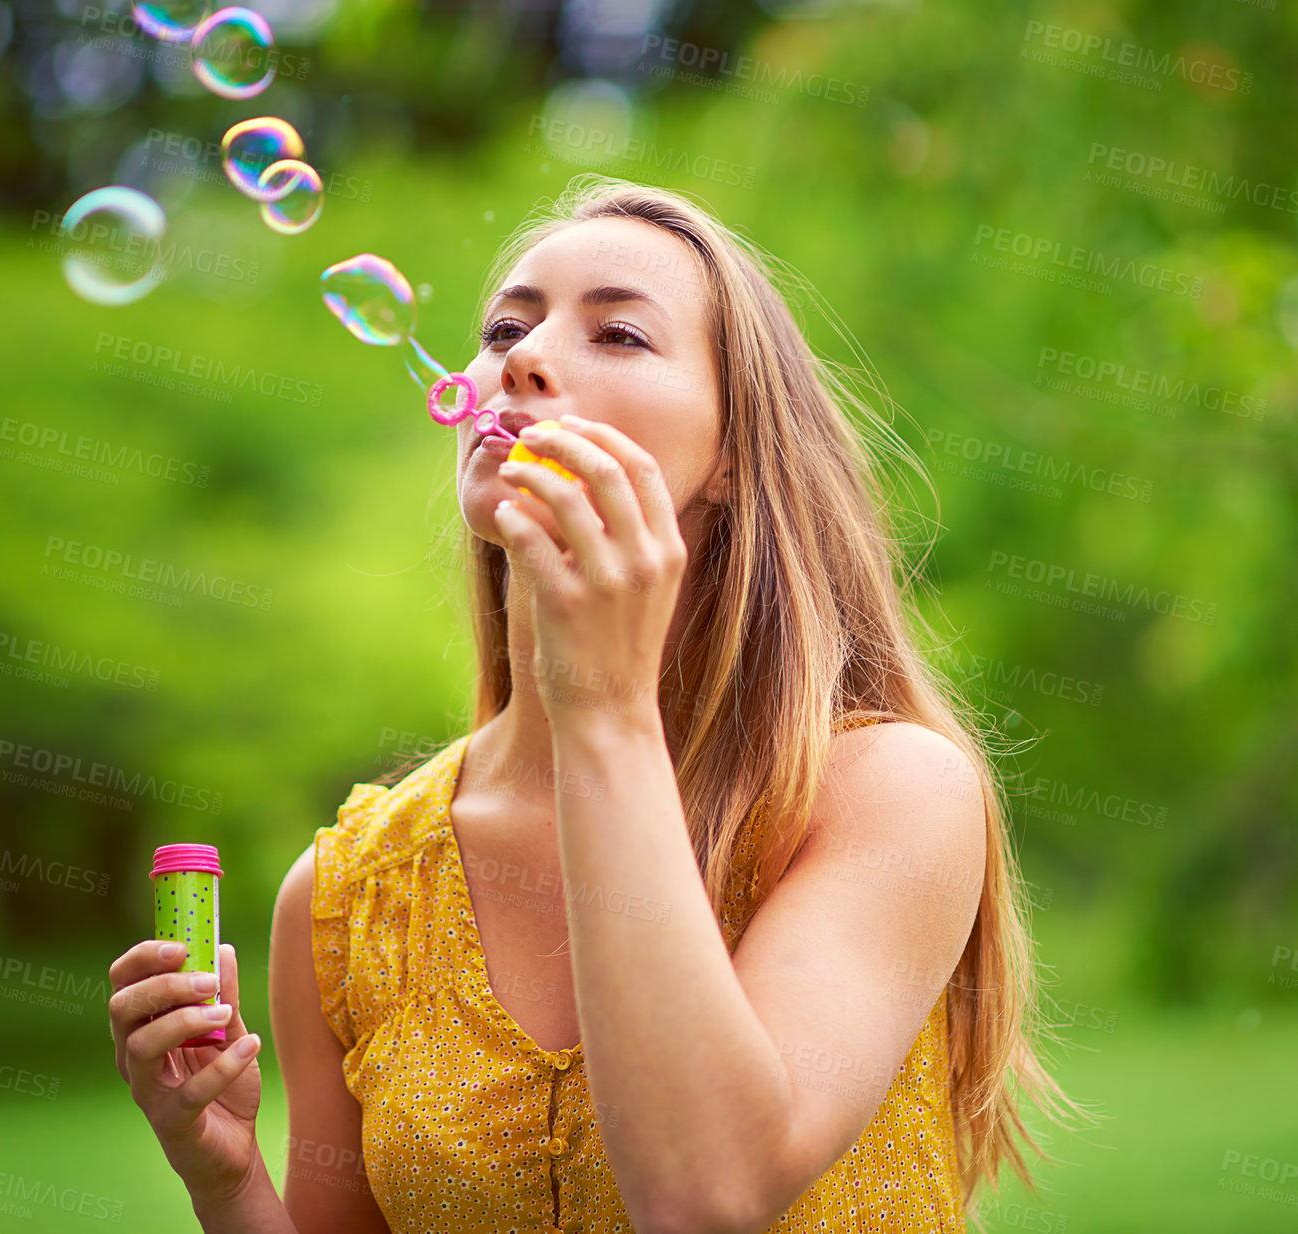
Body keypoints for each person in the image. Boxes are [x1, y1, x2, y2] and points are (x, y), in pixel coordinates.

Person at [107, 176, 1083, 1233]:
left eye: (616, 333)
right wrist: (224, 1179)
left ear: (728, 457)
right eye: (504, 328)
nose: (517, 358)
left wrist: (603, 704)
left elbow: (706, 1193)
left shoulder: (885, 795)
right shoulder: (347, 898)